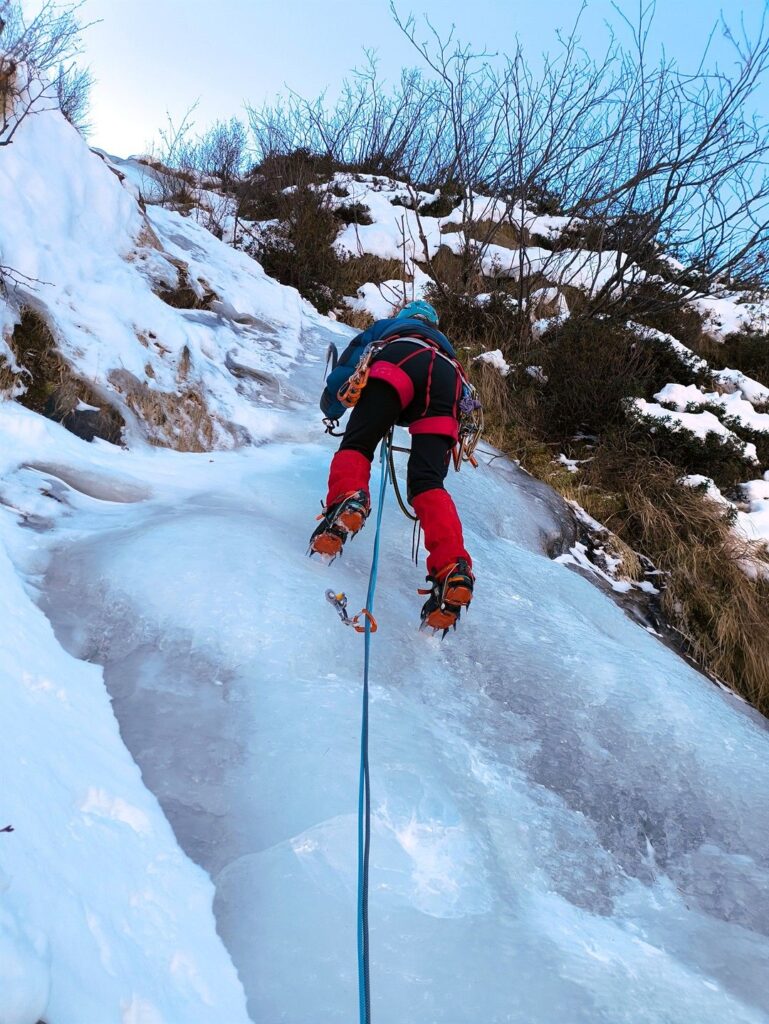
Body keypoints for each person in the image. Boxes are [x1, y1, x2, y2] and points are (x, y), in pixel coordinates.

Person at [310, 299, 474, 633]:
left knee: (358, 444)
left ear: (403, 316)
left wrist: (332, 409)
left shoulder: (387, 329)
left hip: (398, 361)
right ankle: (452, 568)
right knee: (428, 482)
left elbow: (347, 371)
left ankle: (350, 498)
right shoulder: (445, 347)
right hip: (447, 381)